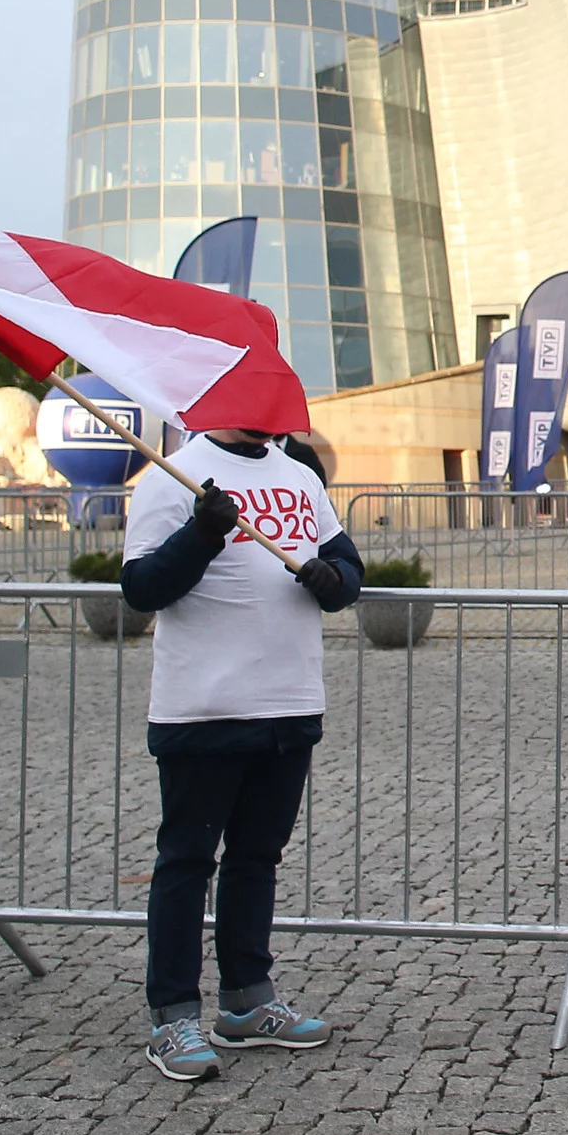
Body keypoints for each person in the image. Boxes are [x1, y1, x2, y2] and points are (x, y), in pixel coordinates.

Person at [121, 422, 363, 1082]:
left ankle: (247, 999)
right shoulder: (171, 475)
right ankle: (172, 1014)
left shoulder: (299, 475)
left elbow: (349, 567)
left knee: (257, 858)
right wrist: (201, 533)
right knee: (187, 862)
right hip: (205, 706)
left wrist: (331, 576)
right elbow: (141, 587)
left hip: (287, 702)